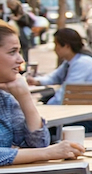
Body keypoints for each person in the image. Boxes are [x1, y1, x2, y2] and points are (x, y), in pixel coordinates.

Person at [0, 21, 84, 166]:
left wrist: (25, 97)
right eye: (12, 52)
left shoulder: (5, 98)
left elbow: (38, 144)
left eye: (19, 52)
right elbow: (42, 151)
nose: (21, 60)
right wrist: (48, 153)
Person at [29, 28, 92, 105]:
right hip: (82, 102)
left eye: (56, 45)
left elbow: (66, 92)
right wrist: (36, 81)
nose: (54, 49)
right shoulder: (70, 61)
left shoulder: (82, 62)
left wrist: (47, 106)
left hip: (89, 105)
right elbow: (54, 77)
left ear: (67, 46)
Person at [7, 0, 34, 64]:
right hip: (20, 31)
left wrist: (16, 18)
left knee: (24, 48)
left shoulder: (20, 9)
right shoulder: (15, 10)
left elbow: (24, 20)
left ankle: (25, 63)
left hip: (23, 31)